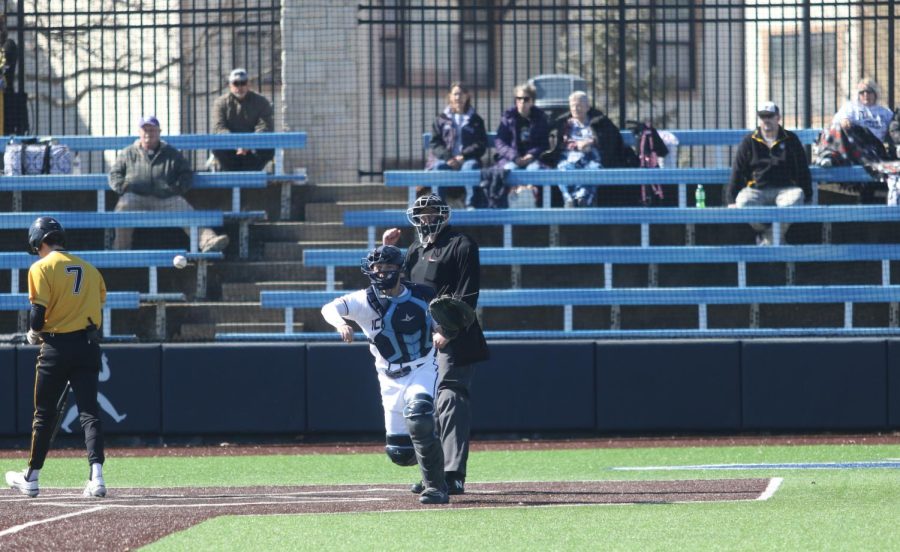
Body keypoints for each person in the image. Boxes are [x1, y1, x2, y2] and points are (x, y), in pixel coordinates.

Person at [321, 245, 449, 505]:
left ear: (399, 271)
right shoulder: (363, 300)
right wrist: (341, 324)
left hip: (422, 368)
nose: (381, 274)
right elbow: (328, 308)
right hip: (389, 376)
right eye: (377, 269)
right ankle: (429, 463)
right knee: (400, 453)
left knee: (419, 414)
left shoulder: (422, 294)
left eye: (387, 269)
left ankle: (436, 487)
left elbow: (441, 323)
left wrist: (442, 332)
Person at [382, 194, 489, 496]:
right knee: (426, 405)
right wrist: (389, 248)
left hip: (455, 336)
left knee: (450, 400)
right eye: (422, 213)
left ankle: (453, 474)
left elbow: (467, 295)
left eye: (432, 213)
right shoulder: (415, 248)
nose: (427, 218)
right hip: (421, 342)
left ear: (444, 215)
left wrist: (448, 330)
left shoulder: (462, 244)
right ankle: (433, 474)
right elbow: (393, 285)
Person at [5, 217, 107, 498]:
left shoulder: (41, 267)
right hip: (87, 345)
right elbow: (98, 307)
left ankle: (32, 477)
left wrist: (32, 333)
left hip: (56, 349)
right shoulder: (90, 268)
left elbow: (37, 317)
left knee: (44, 415)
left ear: (40, 242)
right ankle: (96, 477)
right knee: (89, 412)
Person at [108, 115, 229, 252]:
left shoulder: (171, 153)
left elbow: (186, 173)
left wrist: (176, 189)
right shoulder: (127, 153)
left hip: (165, 198)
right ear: (139, 132)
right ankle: (120, 251)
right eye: (145, 129)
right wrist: (124, 187)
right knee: (122, 208)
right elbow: (114, 174)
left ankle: (208, 241)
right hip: (135, 197)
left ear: (159, 132)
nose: (148, 133)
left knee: (184, 207)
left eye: (152, 130)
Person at [726, 102, 812, 246]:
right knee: (743, 202)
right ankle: (774, 236)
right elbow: (738, 170)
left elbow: (803, 169)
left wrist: (808, 196)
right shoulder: (749, 141)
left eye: (770, 116)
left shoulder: (791, 139)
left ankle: (767, 239)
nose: (766, 120)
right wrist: (731, 199)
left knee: (796, 199)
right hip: (756, 190)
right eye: (762, 117)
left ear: (778, 118)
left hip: (786, 190)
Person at [542, 91, 636, 207]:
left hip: (592, 159)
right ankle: (570, 199)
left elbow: (612, 138)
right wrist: (570, 144)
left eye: (579, 105)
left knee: (593, 169)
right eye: (573, 105)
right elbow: (553, 141)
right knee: (563, 168)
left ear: (587, 107)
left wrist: (591, 141)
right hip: (570, 159)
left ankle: (584, 198)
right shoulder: (562, 124)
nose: (576, 108)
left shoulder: (600, 121)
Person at [426, 82, 488, 209]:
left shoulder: (476, 120)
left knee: (471, 167)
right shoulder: (441, 119)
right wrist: (448, 158)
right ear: (450, 96)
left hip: (466, 160)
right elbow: (435, 142)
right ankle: (438, 206)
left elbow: (481, 144)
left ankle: (471, 204)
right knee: (438, 167)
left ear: (467, 96)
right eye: (455, 94)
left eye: (461, 94)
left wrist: (464, 156)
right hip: (447, 160)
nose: (458, 97)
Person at [490, 82, 550, 207]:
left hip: (532, 160)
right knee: (511, 170)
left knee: (535, 170)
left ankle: (529, 199)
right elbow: (500, 142)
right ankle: (515, 201)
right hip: (511, 159)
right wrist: (514, 157)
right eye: (519, 99)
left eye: (526, 99)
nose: (522, 102)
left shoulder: (540, 118)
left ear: (532, 101)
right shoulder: (508, 118)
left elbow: (544, 143)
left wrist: (531, 155)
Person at [212, 68, 275, 172]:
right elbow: (219, 128)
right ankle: (232, 177)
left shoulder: (261, 102)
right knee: (217, 148)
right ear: (230, 85)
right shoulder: (220, 103)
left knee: (268, 148)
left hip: (254, 149)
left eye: (243, 83)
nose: (240, 87)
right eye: (236, 83)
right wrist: (236, 144)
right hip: (230, 150)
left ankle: (251, 177)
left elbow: (265, 126)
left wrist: (249, 144)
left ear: (248, 84)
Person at [832, 78, 894, 143]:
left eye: (869, 91)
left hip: (878, 147)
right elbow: (836, 122)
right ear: (858, 95)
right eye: (862, 92)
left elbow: (894, 127)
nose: (866, 95)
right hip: (856, 147)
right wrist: (844, 120)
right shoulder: (850, 108)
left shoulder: (885, 112)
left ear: (875, 93)